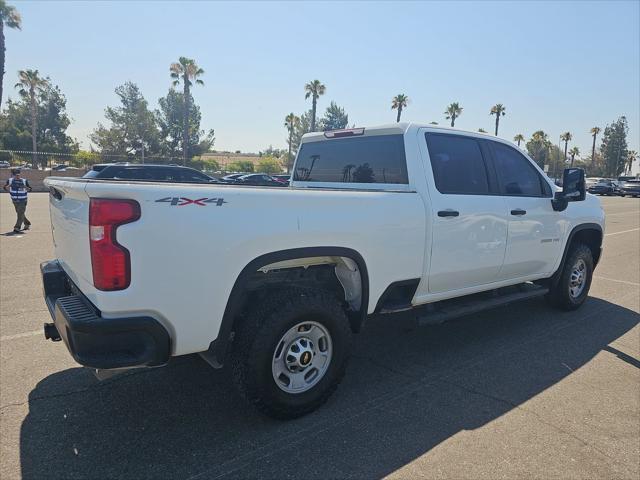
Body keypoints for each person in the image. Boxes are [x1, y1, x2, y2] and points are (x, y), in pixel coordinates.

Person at [3, 169, 33, 233]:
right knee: (20, 213)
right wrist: (8, 186)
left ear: (20, 174)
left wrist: (25, 187)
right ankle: (27, 223)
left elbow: (30, 189)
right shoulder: (10, 180)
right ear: (13, 175)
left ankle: (17, 227)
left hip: (22, 200)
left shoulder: (24, 181)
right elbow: (5, 187)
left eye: (18, 174)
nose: (17, 175)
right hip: (14, 200)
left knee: (20, 213)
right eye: (15, 174)